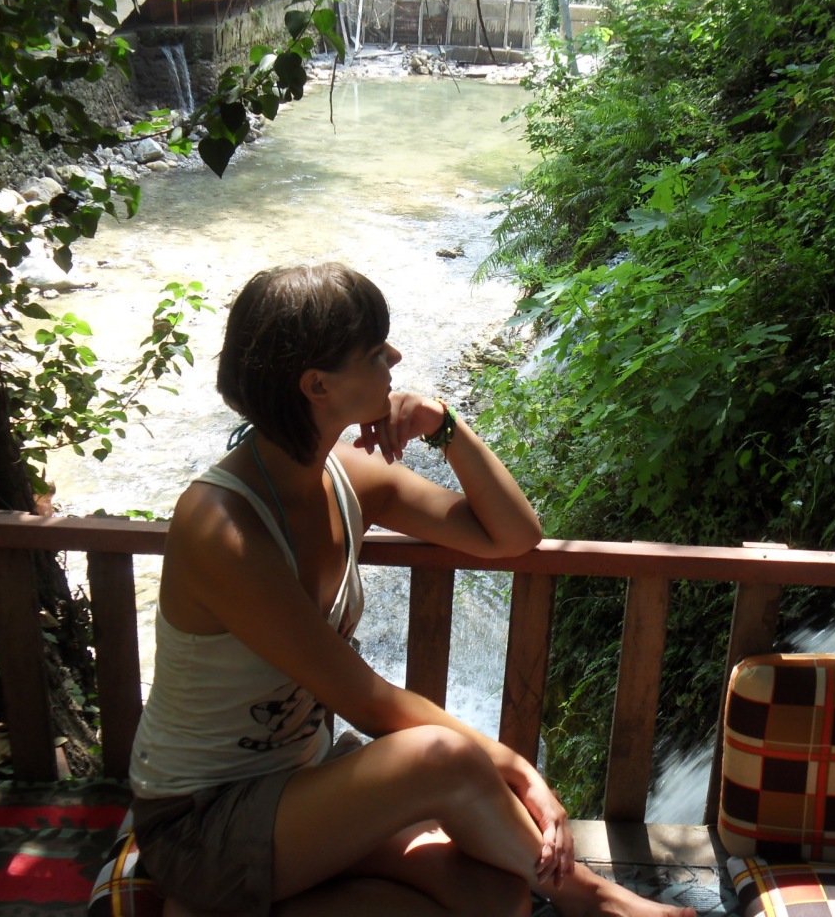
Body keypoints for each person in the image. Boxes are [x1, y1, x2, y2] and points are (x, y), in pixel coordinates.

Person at [128, 262, 695, 917]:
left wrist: (442, 424)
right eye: (375, 352)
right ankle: (598, 901)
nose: (395, 358)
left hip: (300, 784)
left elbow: (513, 535)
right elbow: (365, 700)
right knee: (439, 756)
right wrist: (518, 769)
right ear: (317, 385)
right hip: (204, 822)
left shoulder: (347, 477)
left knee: (495, 898)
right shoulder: (221, 526)